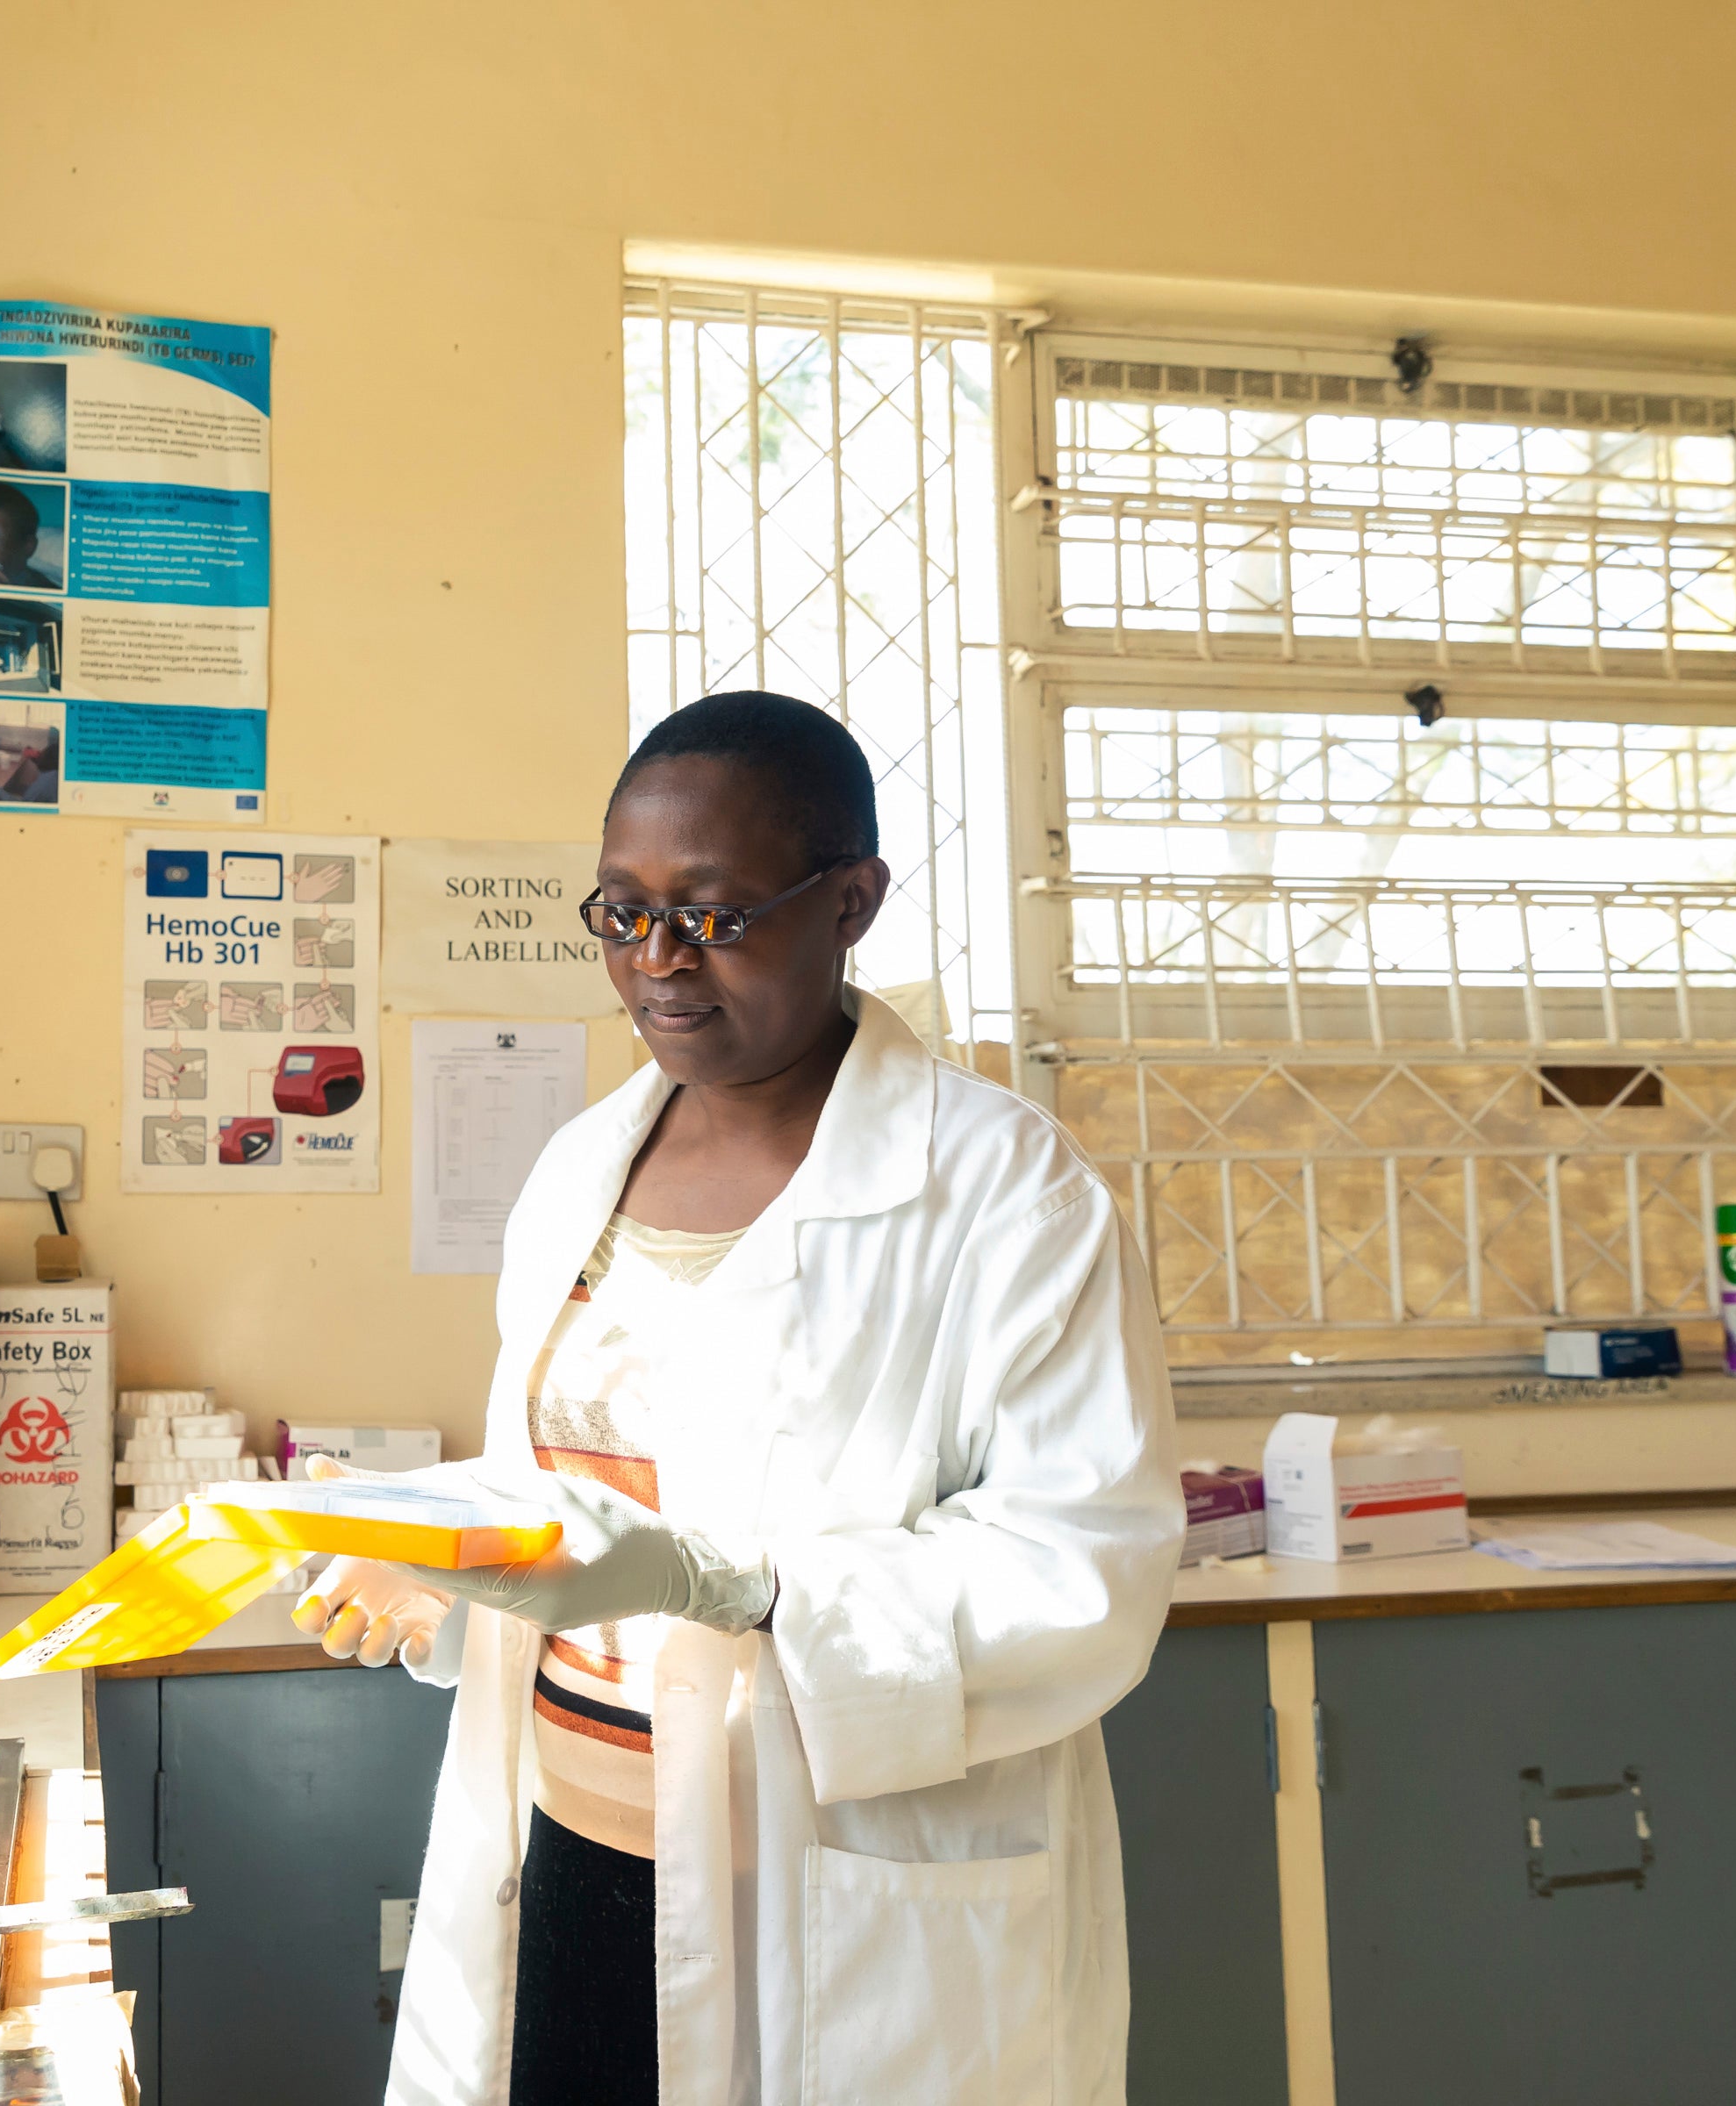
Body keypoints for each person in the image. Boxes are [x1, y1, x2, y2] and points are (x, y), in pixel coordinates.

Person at [292, 691, 1180, 2105]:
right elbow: (573, 1480)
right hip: (567, 1847)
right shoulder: (581, 1169)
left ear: (853, 903)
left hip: (833, 1894)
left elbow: (1084, 1570)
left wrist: (737, 1589)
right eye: (621, 912)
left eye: (710, 914)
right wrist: (442, 1566)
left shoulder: (1007, 1190)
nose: (656, 962)